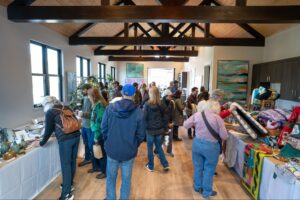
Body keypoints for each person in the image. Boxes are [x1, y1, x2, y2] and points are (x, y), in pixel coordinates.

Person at [102, 84, 145, 200]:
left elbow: (104, 129)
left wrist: (108, 142)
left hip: (112, 150)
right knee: (126, 179)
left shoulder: (109, 108)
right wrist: (134, 145)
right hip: (128, 151)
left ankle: (110, 198)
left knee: (111, 178)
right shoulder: (138, 112)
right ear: (134, 95)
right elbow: (141, 135)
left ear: (122, 93)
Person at [183, 100, 228, 199]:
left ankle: (197, 187)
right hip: (211, 147)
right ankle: (207, 192)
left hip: (197, 144)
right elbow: (224, 136)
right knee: (209, 169)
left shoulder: (198, 114)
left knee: (198, 166)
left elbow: (185, 125)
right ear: (216, 108)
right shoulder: (218, 118)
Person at [39, 96, 81, 200]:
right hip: (76, 136)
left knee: (65, 165)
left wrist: (41, 143)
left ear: (47, 104)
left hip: (65, 140)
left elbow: (48, 131)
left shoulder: (50, 112)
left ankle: (66, 195)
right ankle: (69, 185)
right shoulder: (66, 107)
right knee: (71, 162)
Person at [144, 86, 170, 172]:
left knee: (150, 148)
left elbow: (144, 117)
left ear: (150, 94)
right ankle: (165, 164)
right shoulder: (161, 104)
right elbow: (166, 116)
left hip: (150, 130)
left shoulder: (147, 104)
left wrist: (145, 127)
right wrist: (162, 125)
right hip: (159, 130)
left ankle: (151, 166)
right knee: (159, 147)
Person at [88, 88, 108, 179]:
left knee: (101, 152)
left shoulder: (99, 106)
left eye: (89, 95)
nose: (88, 97)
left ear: (93, 96)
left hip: (99, 133)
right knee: (96, 151)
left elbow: (99, 122)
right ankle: (97, 167)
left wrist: (96, 136)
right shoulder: (97, 104)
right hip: (95, 131)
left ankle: (104, 171)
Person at [77, 84, 93, 167]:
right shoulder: (84, 99)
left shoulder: (90, 99)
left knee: (91, 145)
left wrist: (82, 114)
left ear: (87, 90)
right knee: (86, 143)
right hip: (84, 125)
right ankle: (87, 158)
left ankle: (95, 163)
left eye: (82, 90)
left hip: (89, 126)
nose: (81, 92)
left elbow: (93, 115)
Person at [160, 89, 175, 157]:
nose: (171, 97)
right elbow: (160, 116)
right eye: (170, 96)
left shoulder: (171, 103)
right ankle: (158, 152)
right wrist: (167, 123)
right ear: (166, 96)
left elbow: (172, 113)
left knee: (170, 139)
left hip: (170, 123)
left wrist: (172, 122)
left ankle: (169, 151)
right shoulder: (160, 103)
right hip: (162, 124)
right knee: (161, 139)